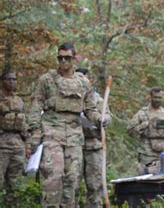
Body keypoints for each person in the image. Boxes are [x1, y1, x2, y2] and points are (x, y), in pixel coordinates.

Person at [26, 42, 106, 207]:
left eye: (67, 58)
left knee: (73, 180)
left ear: (74, 58)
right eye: (60, 58)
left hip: (74, 137)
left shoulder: (83, 83)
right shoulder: (47, 80)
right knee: (53, 177)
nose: (63, 61)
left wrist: (100, 119)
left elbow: (90, 109)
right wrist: (34, 132)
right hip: (51, 134)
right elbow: (35, 108)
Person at [75, 67, 112, 208]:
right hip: (74, 145)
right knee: (72, 184)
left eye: (85, 77)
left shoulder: (98, 100)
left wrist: (104, 119)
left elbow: (108, 116)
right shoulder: (71, 98)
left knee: (94, 185)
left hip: (94, 146)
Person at [127, 86, 164, 175]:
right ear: (150, 97)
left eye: (160, 98)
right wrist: (141, 127)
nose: (157, 100)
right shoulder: (142, 114)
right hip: (147, 157)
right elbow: (130, 131)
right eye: (155, 97)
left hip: (163, 156)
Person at [0, 70, 26, 206]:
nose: (12, 82)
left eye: (14, 79)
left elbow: (24, 124)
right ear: (2, 81)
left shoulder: (19, 101)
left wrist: (28, 144)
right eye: (9, 79)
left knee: (16, 185)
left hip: (18, 146)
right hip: (1, 145)